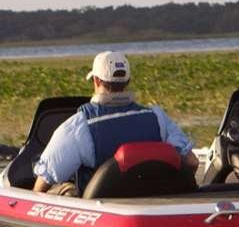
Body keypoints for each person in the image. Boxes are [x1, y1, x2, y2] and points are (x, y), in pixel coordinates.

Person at [33, 51, 198, 194]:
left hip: (100, 208)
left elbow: (45, 179)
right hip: (153, 201)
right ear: (128, 81)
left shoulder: (79, 125)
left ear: (97, 81)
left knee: (63, 189)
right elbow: (191, 162)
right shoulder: (157, 117)